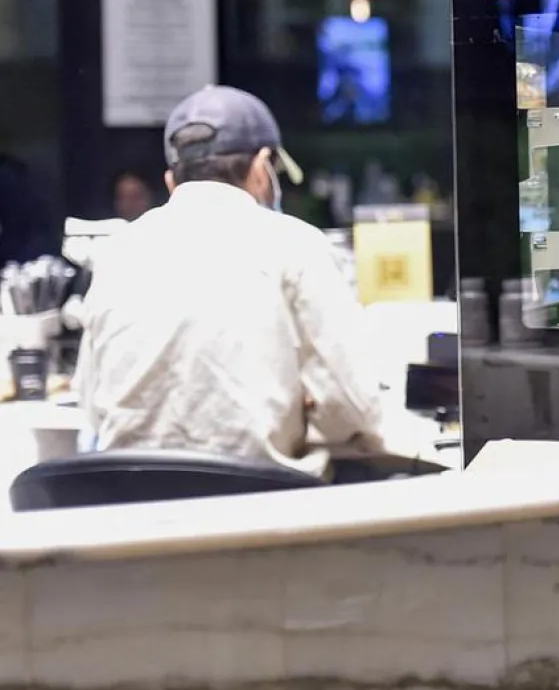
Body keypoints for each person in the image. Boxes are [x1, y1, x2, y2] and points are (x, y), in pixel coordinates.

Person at [77, 85, 384, 477]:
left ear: (173, 183)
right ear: (261, 169)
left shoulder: (118, 252)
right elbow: (353, 407)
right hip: (260, 517)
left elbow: (92, 408)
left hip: (137, 520)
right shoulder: (295, 243)